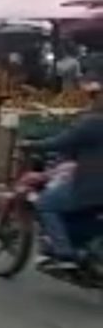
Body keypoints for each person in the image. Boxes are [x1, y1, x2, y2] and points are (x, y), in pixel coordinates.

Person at [25, 83, 103, 265]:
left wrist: (31, 144)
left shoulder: (92, 124)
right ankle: (80, 245)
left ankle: (63, 251)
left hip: (92, 187)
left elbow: (61, 141)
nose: (92, 100)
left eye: (95, 96)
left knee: (46, 203)